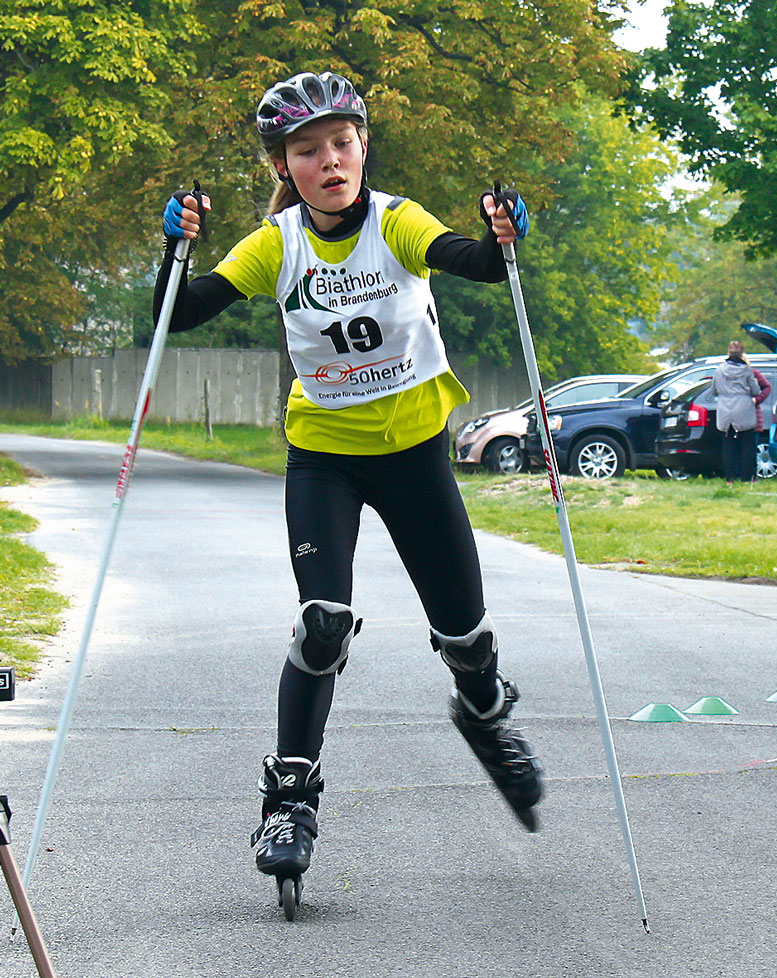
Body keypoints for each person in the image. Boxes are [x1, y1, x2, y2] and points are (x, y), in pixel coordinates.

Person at [154, 71, 543, 913]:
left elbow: (469, 262)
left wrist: (501, 233)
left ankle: (482, 710)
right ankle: (289, 802)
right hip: (325, 453)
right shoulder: (277, 244)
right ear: (283, 167)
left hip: (413, 452)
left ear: (364, 146)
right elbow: (175, 318)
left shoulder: (399, 223)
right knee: (321, 622)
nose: (328, 160)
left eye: (341, 142)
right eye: (306, 150)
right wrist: (173, 250)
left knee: (465, 637)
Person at [710, 340, 761, 483]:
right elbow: (755, 390)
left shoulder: (719, 370)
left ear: (728, 353)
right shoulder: (746, 371)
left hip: (725, 410)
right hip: (744, 409)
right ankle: (747, 478)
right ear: (742, 354)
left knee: (728, 446)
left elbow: (713, 390)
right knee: (747, 446)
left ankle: (730, 479)